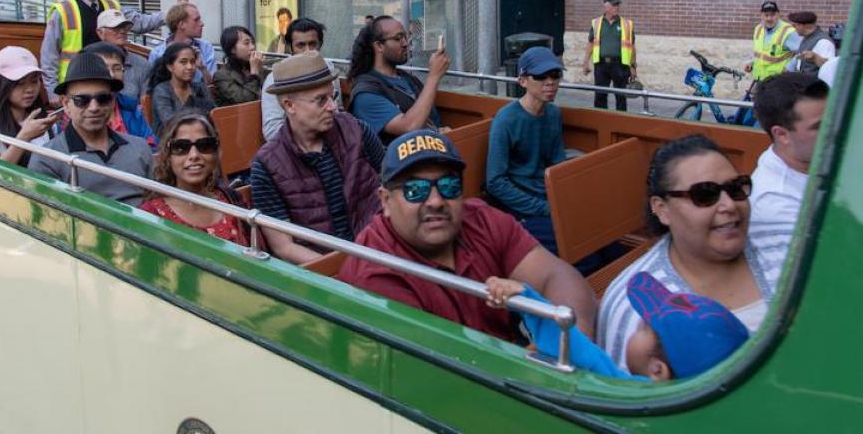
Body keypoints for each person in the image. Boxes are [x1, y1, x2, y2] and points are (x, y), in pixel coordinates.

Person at [337, 129, 597, 341]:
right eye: (416, 190)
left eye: (449, 186)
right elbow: (436, 367)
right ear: (385, 201)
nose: (436, 201)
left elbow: (556, 275)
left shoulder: (481, 220)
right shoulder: (376, 270)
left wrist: (573, 342)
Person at [597, 135, 793, 370]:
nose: (729, 205)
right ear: (662, 209)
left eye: (735, 188)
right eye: (705, 195)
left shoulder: (790, 247)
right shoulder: (637, 310)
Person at [485, 271, 748, 381]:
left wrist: (526, 297)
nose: (636, 328)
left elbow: (575, 348)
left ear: (657, 371)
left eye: (643, 329)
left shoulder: (631, 391)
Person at [250, 52, 384, 265]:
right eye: (321, 100)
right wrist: (343, 270)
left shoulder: (356, 129)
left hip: (378, 250)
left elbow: (394, 188)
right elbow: (283, 246)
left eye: (332, 97)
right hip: (324, 273)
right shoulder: (267, 165)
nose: (332, 106)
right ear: (289, 105)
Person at [27, 52, 153, 206]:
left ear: (113, 101)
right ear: (66, 104)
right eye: (82, 100)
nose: (94, 108)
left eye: (103, 99)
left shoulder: (140, 148)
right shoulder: (48, 159)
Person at [41, 0, 165, 101]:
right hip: (75, 83)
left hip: (108, 80)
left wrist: (170, 15)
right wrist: (52, 91)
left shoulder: (112, 6)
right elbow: (49, 56)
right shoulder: (63, 12)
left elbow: (141, 23)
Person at [486, 47, 568, 254]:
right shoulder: (505, 120)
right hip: (523, 207)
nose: (550, 82)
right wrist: (543, 208)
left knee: (602, 239)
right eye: (541, 76)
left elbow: (558, 164)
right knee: (574, 246)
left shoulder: (553, 114)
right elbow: (495, 182)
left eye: (555, 75)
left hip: (549, 198)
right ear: (522, 81)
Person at [140, 111, 249, 246]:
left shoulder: (233, 201)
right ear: (167, 156)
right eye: (181, 147)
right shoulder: (151, 214)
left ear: (216, 152)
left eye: (205, 145)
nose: (194, 155)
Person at [348, 15, 449, 145]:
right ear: (379, 46)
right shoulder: (366, 93)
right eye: (398, 38)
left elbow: (427, 120)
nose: (406, 43)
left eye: (405, 37)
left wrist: (438, 131)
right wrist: (433, 77)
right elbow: (409, 127)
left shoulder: (409, 80)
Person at [750, 73, 828, 224]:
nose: (835, 130)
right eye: (820, 127)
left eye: (835, 119)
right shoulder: (776, 204)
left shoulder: (814, 162)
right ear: (782, 135)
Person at [0, 46, 62, 166]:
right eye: (20, 83)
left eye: (34, 81)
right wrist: (24, 137)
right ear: (0, 86)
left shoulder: (45, 124)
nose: (29, 89)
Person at [261, 17, 343, 140]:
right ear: (290, 47)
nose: (307, 51)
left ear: (320, 44)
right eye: (301, 45)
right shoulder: (276, 79)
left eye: (312, 44)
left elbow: (338, 110)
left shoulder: (328, 69)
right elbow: (272, 131)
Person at [83, 42, 157, 147]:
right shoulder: (75, 111)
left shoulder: (133, 109)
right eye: (104, 68)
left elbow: (152, 147)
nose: (112, 75)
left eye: (117, 68)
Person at [581, 0, 636, 112]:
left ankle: (621, 124)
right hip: (601, 65)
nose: (617, 7)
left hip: (620, 65)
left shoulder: (627, 24)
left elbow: (631, 46)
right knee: (600, 96)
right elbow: (591, 43)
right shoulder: (596, 23)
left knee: (621, 97)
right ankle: (600, 123)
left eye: (618, 5)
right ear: (605, 7)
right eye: (614, 5)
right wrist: (585, 62)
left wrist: (633, 66)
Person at [147, 42, 215, 134]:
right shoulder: (162, 90)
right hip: (170, 141)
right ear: (170, 67)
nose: (190, 67)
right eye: (183, 62)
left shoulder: (200, 88)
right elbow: (170, 123)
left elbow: (214, 115)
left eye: (192, 62)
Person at [147, 1, 215, 85]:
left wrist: (202, 68)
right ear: (182, 24)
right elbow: (153, 86)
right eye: (196, 20)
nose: (202, 24)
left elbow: (212, 86)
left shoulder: (205, 47)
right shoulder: (158, 53)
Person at [95, 8, 151, 99]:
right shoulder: (90, 63)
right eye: (115, 28)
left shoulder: (141, 64)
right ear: (100, 32)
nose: (122, 31)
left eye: (124, 28)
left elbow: (147, 103)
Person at [213, 25, 265, 106]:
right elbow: (245, 102)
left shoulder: (254, 65)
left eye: (252, 42)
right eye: (246, 43)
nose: (252, 47)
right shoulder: (222, 75)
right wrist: (254, 73)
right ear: (232, 49)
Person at [745, 1, 795, 82]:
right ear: (761, 15)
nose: (769, 18)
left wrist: (789, 68)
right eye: (766, 15)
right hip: (759, 79)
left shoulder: (788, 31)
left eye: (772, 15)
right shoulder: (758, 29)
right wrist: (751, 62)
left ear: (778, 14)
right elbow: (758, 52)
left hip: (778, 81)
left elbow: (801, 52)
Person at [785, 11, 836, 77]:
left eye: (795, 25)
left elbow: (830, 68)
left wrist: (815, 58)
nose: (794, 28)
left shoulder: (824, 42)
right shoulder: (806, 37)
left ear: (802, 26)